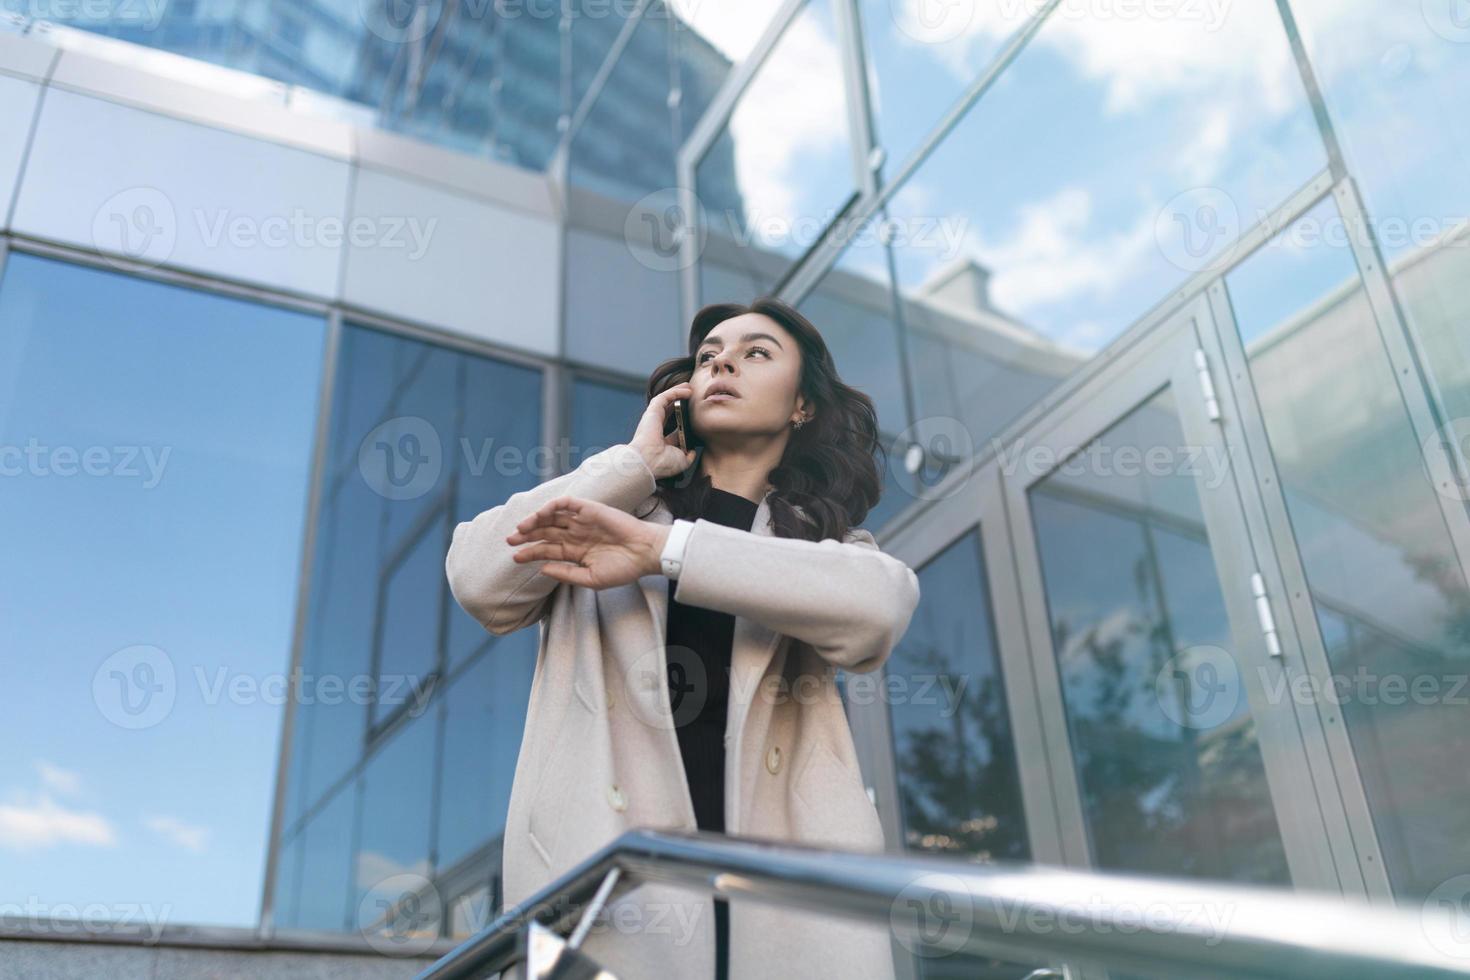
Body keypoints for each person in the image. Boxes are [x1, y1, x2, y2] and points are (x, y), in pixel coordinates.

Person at [445, 296, 920, 980]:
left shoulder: (820, 547)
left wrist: (659, 551)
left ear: (802, 408)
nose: (723, 360)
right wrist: (634, 464)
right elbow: (478, 576)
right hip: (607, 904)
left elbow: (880, 607)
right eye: (708, 356)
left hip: (784, 919)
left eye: (756, 352)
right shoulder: (610, 511)